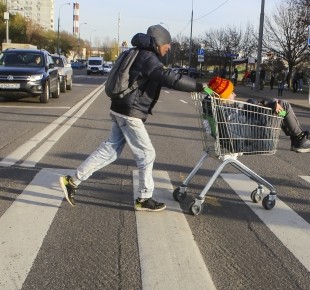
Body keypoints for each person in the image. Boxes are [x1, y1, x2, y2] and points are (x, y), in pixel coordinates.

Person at [59, 24, 206, 212]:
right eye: (167, 44)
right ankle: (144, 198)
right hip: (129, 112)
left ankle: (72, 181)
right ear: (159, 41)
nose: (169, 48)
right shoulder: (147, 57)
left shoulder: (137, 52)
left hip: (121, 107)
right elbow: (169, 78)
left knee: (110, 151)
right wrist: (198, 86)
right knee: (147, 154)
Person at [206, 76, 310, 153]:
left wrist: (264, 104)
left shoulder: (220, 109)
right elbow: (244, 122)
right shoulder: (225, 113)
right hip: (260, 140)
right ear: (223, 96)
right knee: (283, 105)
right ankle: (299, 139)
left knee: (270, 103)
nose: (235, 95)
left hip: (249, 135)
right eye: (231, 92)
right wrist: (268, 106)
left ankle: (297, 138)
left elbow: (246, 107)